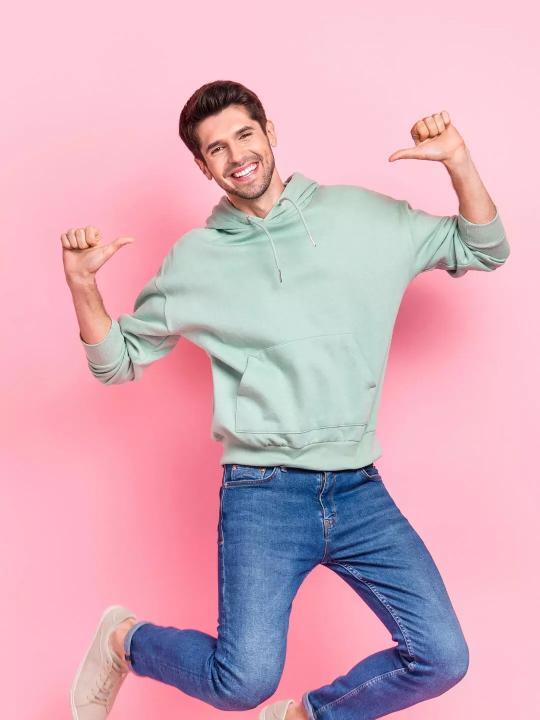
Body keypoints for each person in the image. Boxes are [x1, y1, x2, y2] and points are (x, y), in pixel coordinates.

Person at [65, 80, 510, 720]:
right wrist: (83, 286)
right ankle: (125, 640)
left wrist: (458, 161)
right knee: (241, 684)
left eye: (244, 134)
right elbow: (118, 362)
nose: (236, 155)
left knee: (442, 657)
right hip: (263, 493)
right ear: (203, 166)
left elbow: (484, 247)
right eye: (216, 148)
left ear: (270, 132)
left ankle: (305, 716)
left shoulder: (363, 217)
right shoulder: (195, 261)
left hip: (358, 488)